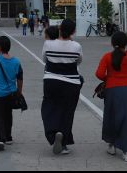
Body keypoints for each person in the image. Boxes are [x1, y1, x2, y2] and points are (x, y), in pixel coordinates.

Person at [96, 32, 127, 163]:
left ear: (112, 43)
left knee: (111, 116)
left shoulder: (107, 57)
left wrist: (110, 78)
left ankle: (112, 145)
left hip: (112, 90)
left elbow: (99, 74)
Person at [41, 19, 83, 156]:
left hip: (51, 81)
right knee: (67, 112)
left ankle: (53, 135)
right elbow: (79, 61)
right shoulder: (77, 46)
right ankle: (63, 143)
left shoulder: (48, 44)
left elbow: (44, 60)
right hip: (71, 83)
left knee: (48, 109)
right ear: (73, 31)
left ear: (60, 29)